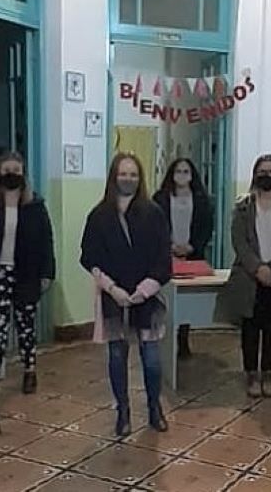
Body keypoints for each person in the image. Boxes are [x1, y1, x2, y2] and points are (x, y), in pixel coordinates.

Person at [80, 153, 172, 436]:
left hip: (147, 296)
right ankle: (123, 411)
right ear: (113, 177)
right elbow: (89, 258)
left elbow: (163, 260)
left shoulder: (154, 213)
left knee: (152, 358)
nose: (128, 179)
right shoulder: (99, 216)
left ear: (139, 178)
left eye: (133, 174)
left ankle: (154, 407)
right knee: (117, 357)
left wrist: (145, 290)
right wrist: (112, 289)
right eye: (123, 174)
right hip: (114, 296)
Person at [0, 152, 55, 402]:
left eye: (16, 170)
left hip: (26, 273)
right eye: (6, 170)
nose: (11, 174)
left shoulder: (35, 205)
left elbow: (46, 241)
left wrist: (47, 273)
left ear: (23, 174)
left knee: (26, 326)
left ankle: (29, 370)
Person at [215, 155, 271, 398]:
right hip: (249, 277)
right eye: (262, 171)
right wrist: (258, 269)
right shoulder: (243, 206)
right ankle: (251, 374)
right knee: (250, 328)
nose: (267, 176)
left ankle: (269, 374)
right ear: (255, 175)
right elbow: (239, 241)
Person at [153, 158, 214, 359]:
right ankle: (165, 340)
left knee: (186, 301)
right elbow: (154, 226)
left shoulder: (201, 200)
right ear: (172, 174)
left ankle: (184, 339)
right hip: (166, 255)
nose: (181, 175)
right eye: (178, 171)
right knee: (166, 299)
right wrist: (168, 246)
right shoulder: (160, 198)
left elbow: (206, 227)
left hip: (192, 255)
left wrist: (193, 246)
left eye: (186, 171)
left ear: (192, 175)